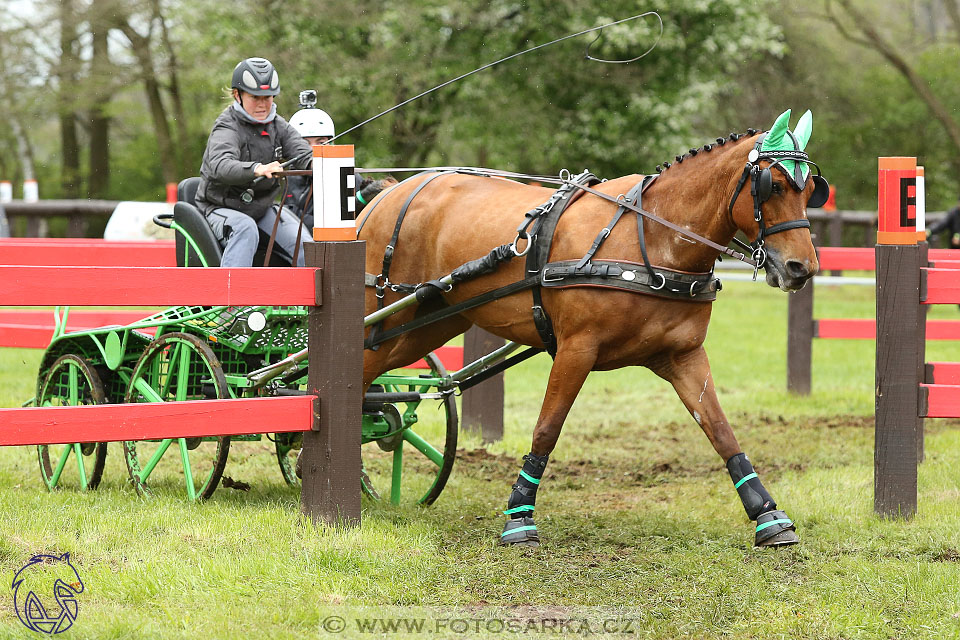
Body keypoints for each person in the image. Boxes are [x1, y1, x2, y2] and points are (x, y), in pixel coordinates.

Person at [194, 57, 313, 266]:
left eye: (268, 97)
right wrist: (257, 169)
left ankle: (301, 299)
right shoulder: (226, 126)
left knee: (304, 245)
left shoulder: (278, 125)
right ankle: (232, 299)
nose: (262, 104)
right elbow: (220, 165)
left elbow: (303, 154)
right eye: (255, 97)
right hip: (220, 207)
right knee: (245, 228)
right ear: (237, 95)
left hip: (262, 208)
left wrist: (319, 166)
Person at [285, 92, 336, 230]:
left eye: (320, 143)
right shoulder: (284, 179)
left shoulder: (348, 176)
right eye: (304, 144)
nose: (313, 150)